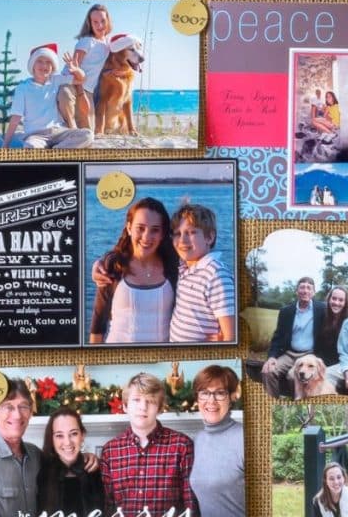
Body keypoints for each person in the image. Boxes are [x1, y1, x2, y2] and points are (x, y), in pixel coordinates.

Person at [101, 372, 198, 514]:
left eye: (150, 401)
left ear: (159, 409)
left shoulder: (181, 446)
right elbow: (108, 506)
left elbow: (190, 505)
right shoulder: (110, 451)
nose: (143, 407)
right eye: (136, 400)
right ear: (125, 406)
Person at [89, 197, 178, 343]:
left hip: (162, 360)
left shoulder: (174, 266)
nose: (146, 237)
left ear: (163, 234)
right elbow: (98, 324)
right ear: (129, 228)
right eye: (140, 228)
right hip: (117, 359)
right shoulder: (112, 266)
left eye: (155, 230)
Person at [3, 44, 94, 149]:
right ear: (32, 65)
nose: (44, 66)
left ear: (52, 67)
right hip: (36, 136)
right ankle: (58, 152)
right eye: (40, 61)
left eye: (48, 62)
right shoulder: (23, 88)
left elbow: (81, 79)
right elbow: (15, 118)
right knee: (30, 146)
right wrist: (5, 145)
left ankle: (56, 150)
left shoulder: (55, 80)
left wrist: (76, 70)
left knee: (87, 135)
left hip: (59, 132)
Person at [169, 203, 236, 343]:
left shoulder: (216, 275)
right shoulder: (184, 268)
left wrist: (223, 343)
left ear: (209, 238)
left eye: (191, 232)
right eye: (177, 234)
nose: (182, 240)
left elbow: (231, 335)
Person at [0, 379, 42, 517]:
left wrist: (85, 457)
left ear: (30, 412)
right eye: (8, 407)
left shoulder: (36, 454)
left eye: (24, 406)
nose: (17, 415)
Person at [191, 364, 246, 517]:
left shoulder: (246, 438)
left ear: (232, 397)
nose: (211, 400)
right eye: (204, 393)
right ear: (197, 398)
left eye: (220, 393)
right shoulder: (196, 441)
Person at [261, 276, 326, 397]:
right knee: (268, 371)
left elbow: (339, 316)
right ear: (297, 291)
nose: (305, 291)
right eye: (302, 287)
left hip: (309, 354)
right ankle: (273, 402)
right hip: (289, 353)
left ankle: (298, 401)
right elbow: (278, 336)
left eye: (309, 288)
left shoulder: (322, 309)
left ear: (313, 292)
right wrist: (272, 357)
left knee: (292, 376)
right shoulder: (286, 311)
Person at [36, 408, 104, 514]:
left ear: (82, 435)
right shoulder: (40, 472)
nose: (67, 442)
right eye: (59, 435)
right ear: (52, 439)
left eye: (74, 433)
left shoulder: (96, 471)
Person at [56, 3, 112, 131]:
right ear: (90, 23)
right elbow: (74, 67)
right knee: (65, 97)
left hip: (88, 90)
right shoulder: (86, 41)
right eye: (95, 22)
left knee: (88, 130)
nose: (100, 25)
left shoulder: (109, 43)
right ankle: (70, 130)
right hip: (71, 83)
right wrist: (81, 95)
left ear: (108, 20)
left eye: (103, 21)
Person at [317, 286, 348, 366]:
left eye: (341, 300)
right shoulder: (321, 316)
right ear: (329, 299)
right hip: (320, 362)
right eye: (334, 298)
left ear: (345, 303)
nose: (336, 303)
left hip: (340, 364)